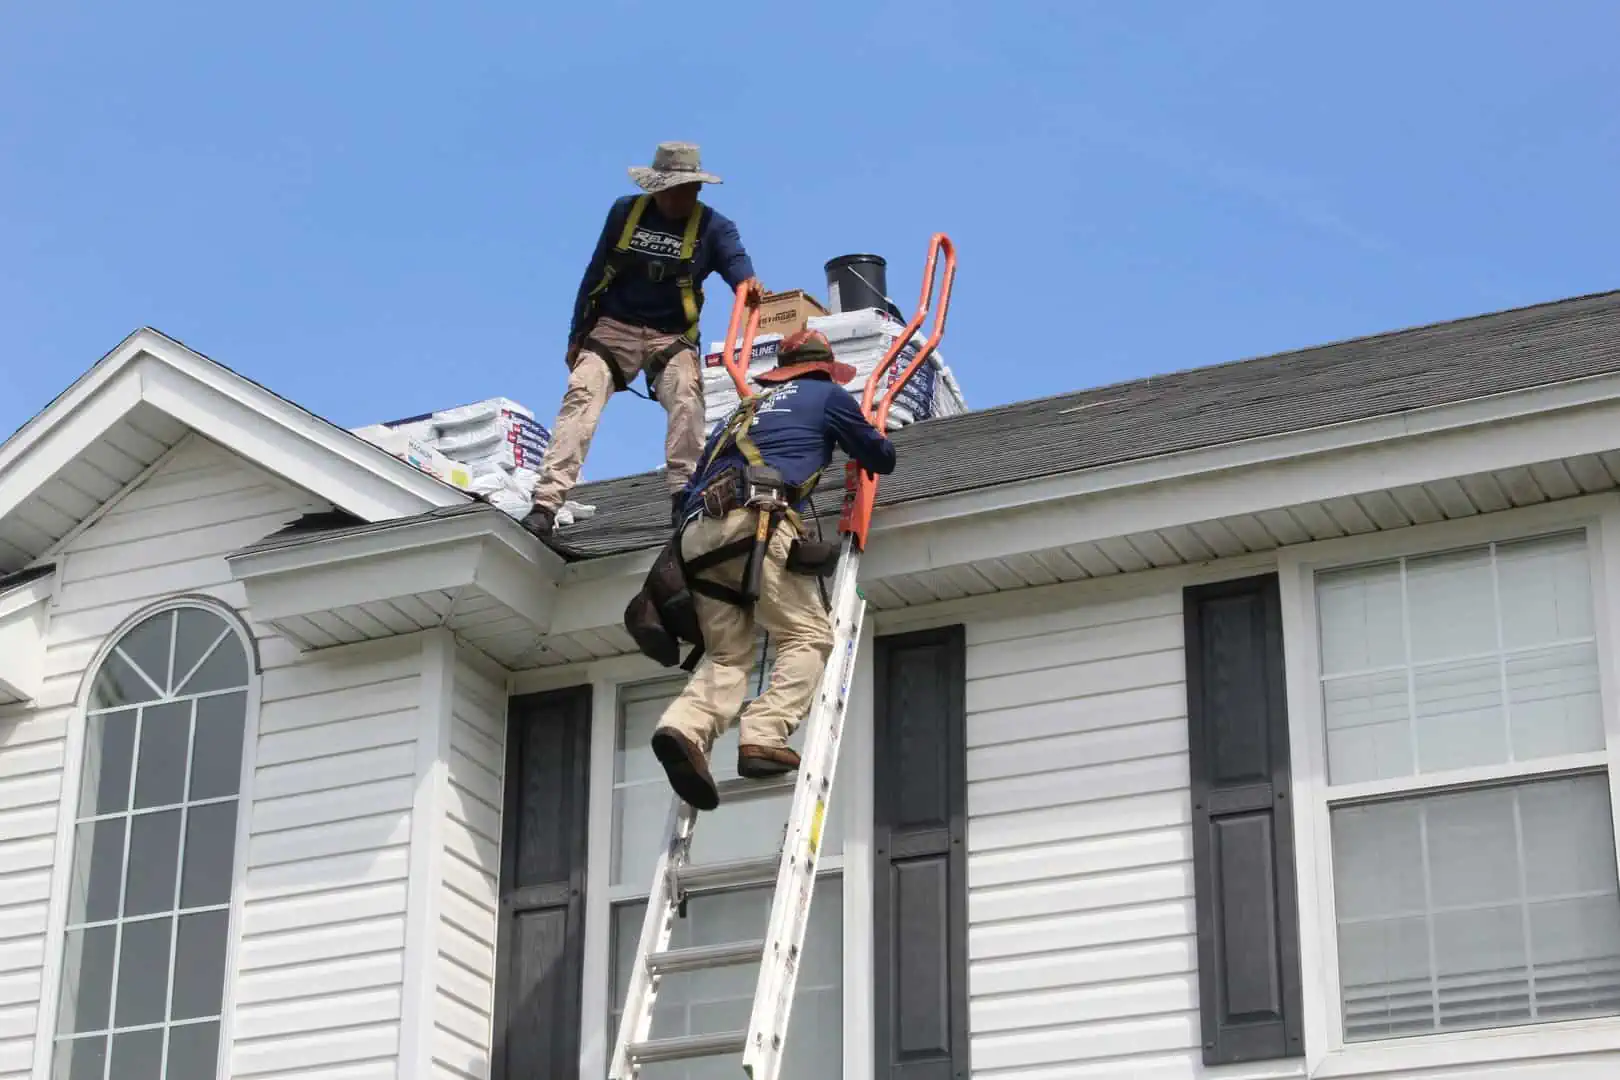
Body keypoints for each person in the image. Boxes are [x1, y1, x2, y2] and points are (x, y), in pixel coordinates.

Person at [648, 328, 897, 811]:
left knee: (728, 656)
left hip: (697, 539)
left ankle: (683, 726)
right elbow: (880, 457)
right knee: (808, 635)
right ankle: (763, 733)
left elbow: (692, 484)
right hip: (755, 520)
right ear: (824, 367)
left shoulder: (738, 413)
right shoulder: (827, 395)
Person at [523, 142, 763, 541]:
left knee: (687, 395)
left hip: (671, 335)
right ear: (656, 187)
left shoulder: (714, 228)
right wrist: (577, 336)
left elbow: (738, 264)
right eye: (671, 189)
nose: (679, 198)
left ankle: (684, 496)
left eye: (687, 190)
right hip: (613, 327)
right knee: (582, 394)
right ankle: (546, 504)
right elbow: (595, 272)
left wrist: (747, 281)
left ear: (697, 190)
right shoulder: (626, 213)